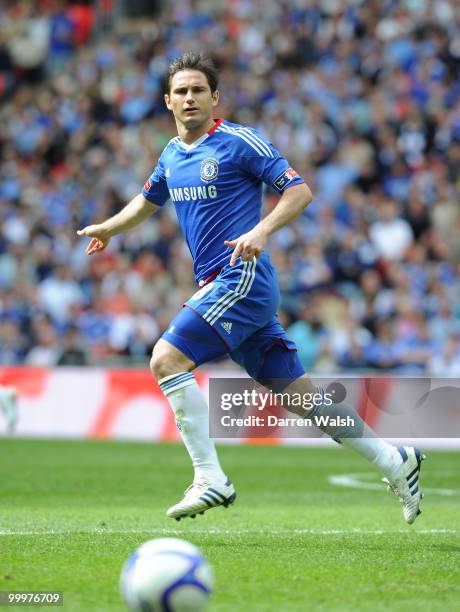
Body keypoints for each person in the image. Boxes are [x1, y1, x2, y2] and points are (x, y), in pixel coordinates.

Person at [78, 52, 425, 524]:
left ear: (214, 97)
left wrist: (261, 230)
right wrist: (110, 228)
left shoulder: (240, 142)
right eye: (181, 91)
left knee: (166, 358)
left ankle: (210, 477)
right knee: (301, 397)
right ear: (167, 102)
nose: (189, 98)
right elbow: (146, 201)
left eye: (198, 89)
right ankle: (394, 459)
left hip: (241, 276)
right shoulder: (171, 155)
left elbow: (298, 190)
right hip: (227, 288)